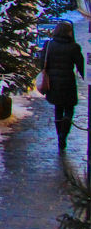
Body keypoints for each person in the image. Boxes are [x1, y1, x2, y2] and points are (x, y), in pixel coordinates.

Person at [41, 20, 85, 152]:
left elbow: (42, 63)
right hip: (68, 82)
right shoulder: (74, 47)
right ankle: (64, 134)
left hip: (53, 83)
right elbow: (81, 66)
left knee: (58, 108)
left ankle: (59, 136)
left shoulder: (49, 45)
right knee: (69, 109)